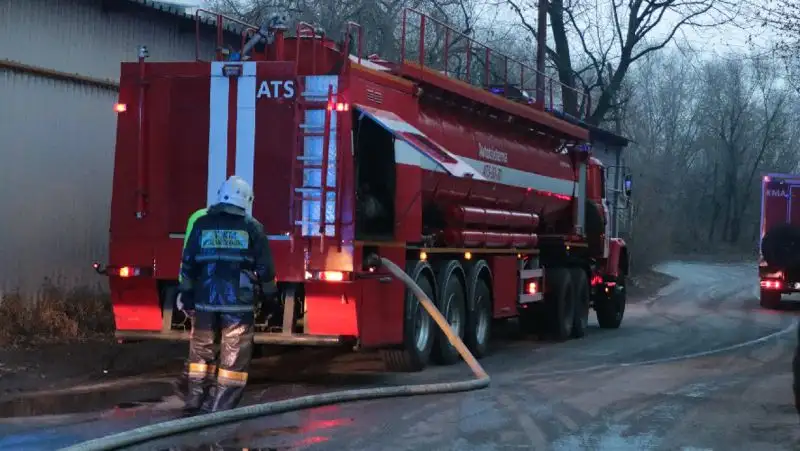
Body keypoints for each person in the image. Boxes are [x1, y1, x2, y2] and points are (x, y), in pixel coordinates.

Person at [178, 175, 275, 414]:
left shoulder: (201, 224)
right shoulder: (252, 227)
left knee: (200, 352)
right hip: (238, 304)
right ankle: (220, 409)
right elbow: (265, 269)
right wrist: (271, 299)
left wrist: (187, 293)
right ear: (247, 201)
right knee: (233, 358)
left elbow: (188, 262)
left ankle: (194, 400)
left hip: (204, 300)